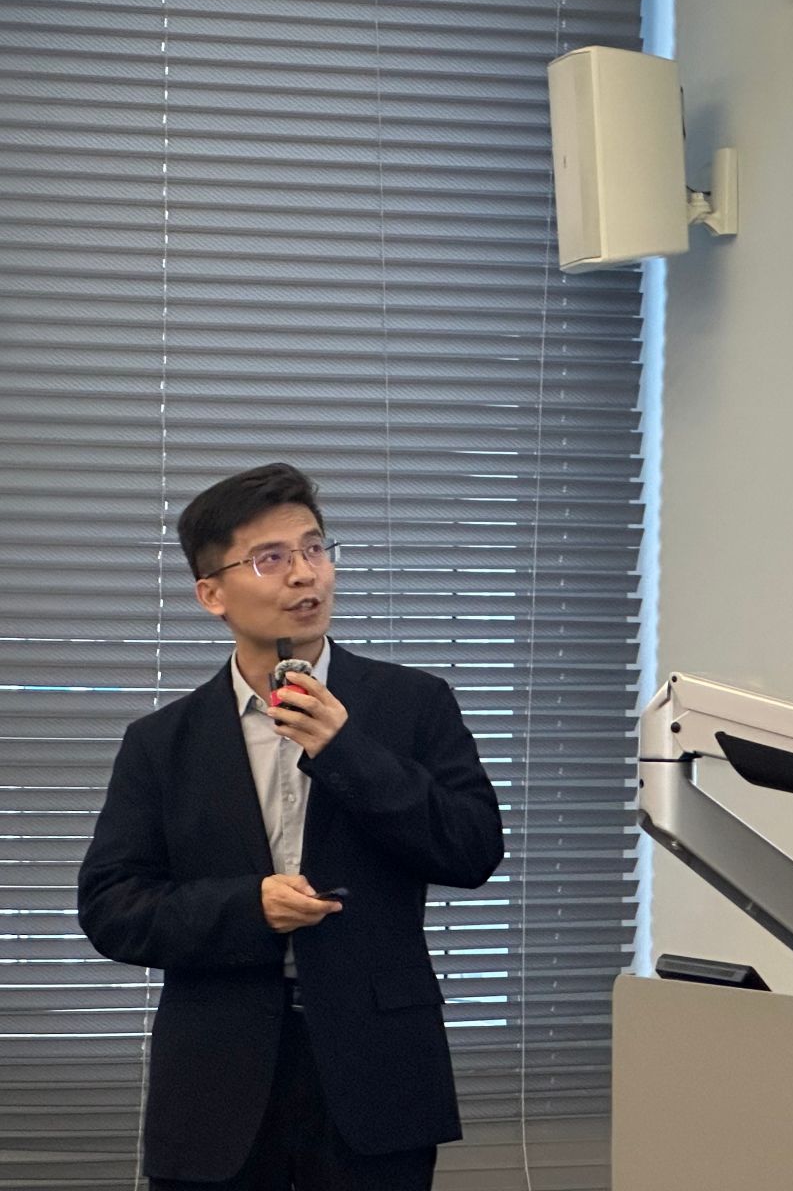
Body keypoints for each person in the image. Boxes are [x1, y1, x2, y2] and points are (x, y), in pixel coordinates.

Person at [79, 463, 505, 1190]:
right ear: (212, 594)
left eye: (315, 549)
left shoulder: (413, 704)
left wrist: (346, 750)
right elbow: (111, 908)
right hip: (216, 1078)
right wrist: (250, 908)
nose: (306, 574)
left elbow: (472, 851)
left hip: (376, 1071)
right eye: (270, 559)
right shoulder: (162, 742)